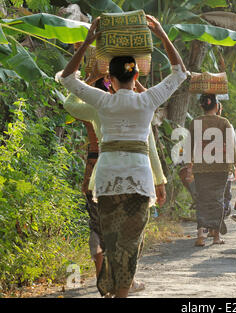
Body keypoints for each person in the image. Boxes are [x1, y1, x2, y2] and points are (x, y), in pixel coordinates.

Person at [60, 15, 187, 298]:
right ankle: (120, 292)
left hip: (106, 181)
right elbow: (180, 73)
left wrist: (89, 42)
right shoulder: (148, 100)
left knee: (113, 241)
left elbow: (68, 79)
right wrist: (162, 34)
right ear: (137, 76)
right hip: (139, 182)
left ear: (109, 79)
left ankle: (114, 288)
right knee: (131, 242)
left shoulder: (102, 100)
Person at [63, 72, 168, 293]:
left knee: (101, 230)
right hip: (135, 179)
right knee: (130, 238)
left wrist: (89, 77)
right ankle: (124, 283)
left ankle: (108, 276)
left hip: (99, 176)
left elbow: (70, 103)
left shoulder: (98, 106)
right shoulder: (141, 111)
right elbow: (150, 149)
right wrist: (159, 181)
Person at [189, 94, 236, 247]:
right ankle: (216, 236)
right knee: (217, 199)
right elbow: (232, 145)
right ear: (217, 107)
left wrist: (188, 165)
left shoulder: (195, 122)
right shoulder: (224, 122)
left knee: (202, 199)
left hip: (200, 167)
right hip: (220, 167)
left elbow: (189, 145)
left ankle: (200, 236)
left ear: (201, 106)